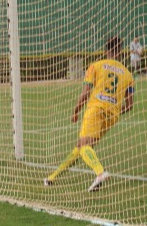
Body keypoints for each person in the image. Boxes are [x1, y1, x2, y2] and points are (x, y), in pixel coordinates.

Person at [45, 36, 134, 191]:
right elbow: (130, 105)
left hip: (95, 110)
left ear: (106, 50)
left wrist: (76, 111)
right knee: (82, 147)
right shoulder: (128, 75)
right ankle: (52, 177)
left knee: (84, 145)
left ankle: (100, 173)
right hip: (112, 116)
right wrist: (114, 109)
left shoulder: (96, 66)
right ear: (119, 52)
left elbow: (86, 93)